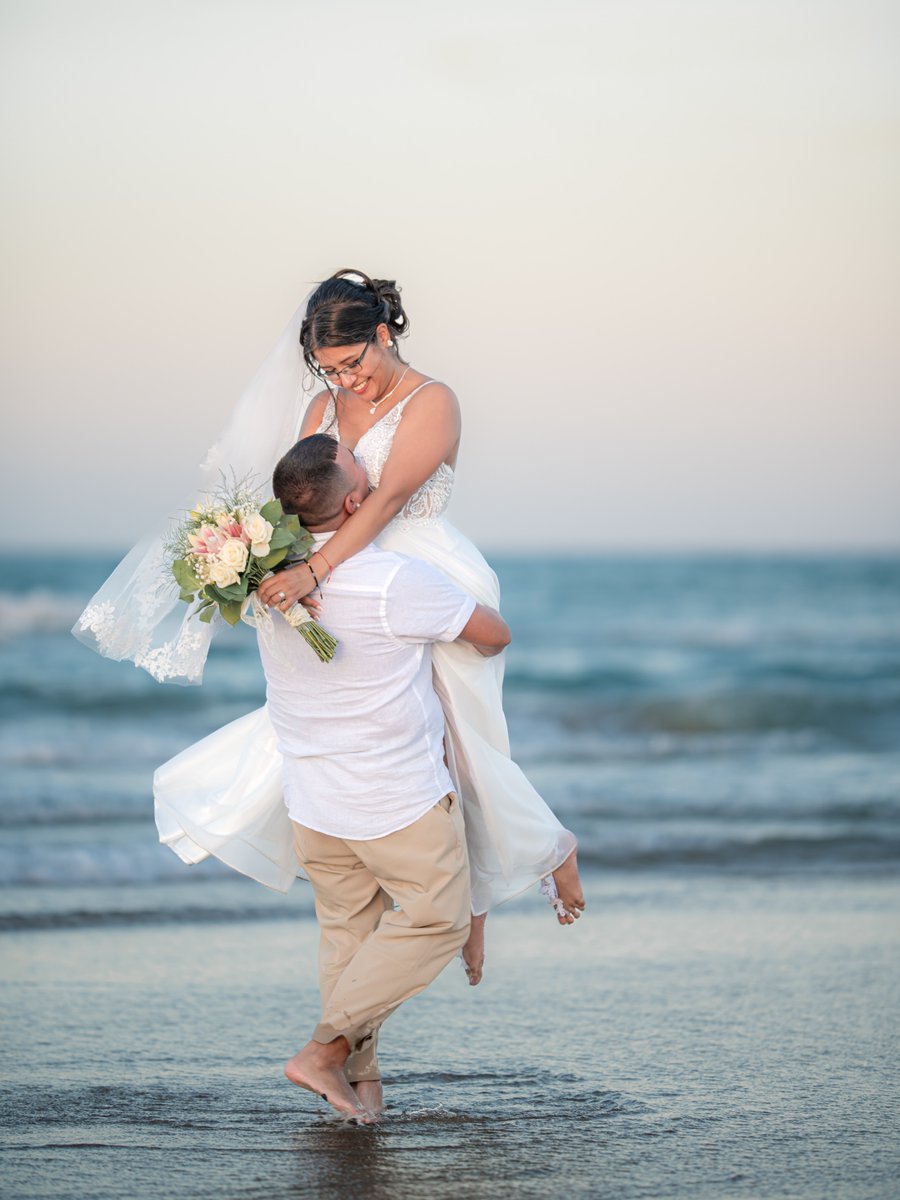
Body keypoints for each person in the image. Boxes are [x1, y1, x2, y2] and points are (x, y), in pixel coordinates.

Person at [74, 269, 584, 988]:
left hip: (422, 576)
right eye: (332, 370)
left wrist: (315, 574)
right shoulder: (320, 406)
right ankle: (424, 900)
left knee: (457, 740)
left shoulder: (433, 401)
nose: (348, 381)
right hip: (342, 585)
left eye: (356, 364)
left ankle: (514, 877)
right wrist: (260, 561)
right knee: (357, 735)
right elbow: (299, 500)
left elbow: (386, 503)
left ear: (383, 335)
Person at [262, 434, 511, 1121]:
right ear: (354, 502)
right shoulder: (395, 580)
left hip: (313, 800)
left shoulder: (272, 585)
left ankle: (362, 1097)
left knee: (348, 935)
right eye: (364, 474)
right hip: (393, 798)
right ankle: (323, 1050)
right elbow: (495, 634)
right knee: (438, 920)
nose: (375, 480)